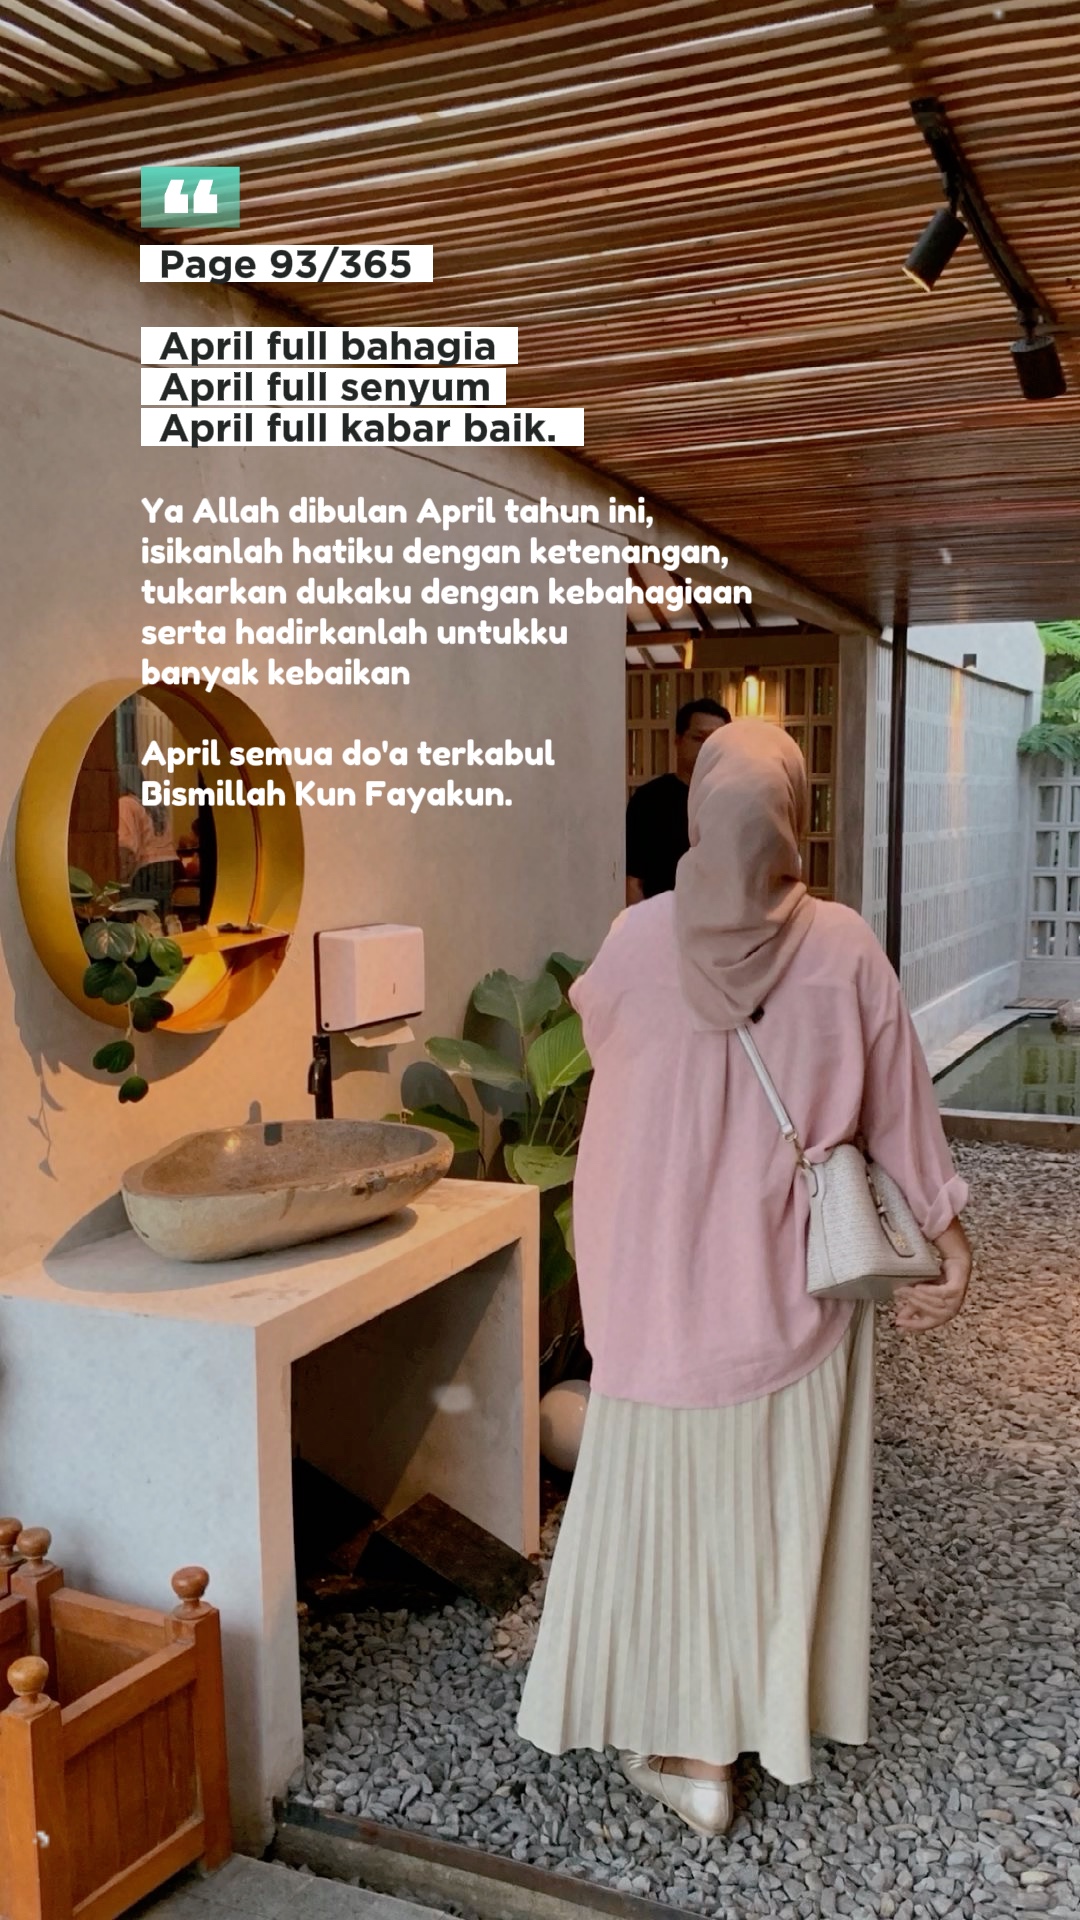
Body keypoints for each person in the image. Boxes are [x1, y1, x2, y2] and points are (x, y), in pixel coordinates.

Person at [517, 719, 972, 1836]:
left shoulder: (635, 941)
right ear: (794, 818)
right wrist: (948, 1233)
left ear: (697, 815)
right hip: (790, 1300)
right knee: (772, 1516)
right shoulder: (845, 946)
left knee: (661, 1518)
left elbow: (608, 1038)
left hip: (653, 1304)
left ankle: (682, 1748)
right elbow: (901, 1109)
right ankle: (751, 1726)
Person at [625, 698, 730, 905]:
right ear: (678, 740)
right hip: (662, 916)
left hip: (721, 918)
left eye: (716, 741)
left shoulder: (735, 799)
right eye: (699, 738)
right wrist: (642, 921)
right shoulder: (649, 799)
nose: (707, 747)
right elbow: (633, 881)